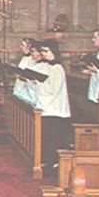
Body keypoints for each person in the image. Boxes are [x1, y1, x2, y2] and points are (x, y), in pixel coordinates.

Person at [34, 39, 71, 177]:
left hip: (55, 108)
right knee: (46, 136)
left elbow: (54, 90)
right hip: (45, 107)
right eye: (42, 51)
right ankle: (46, 160)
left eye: (46, 51)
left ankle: (54, 162)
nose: (43, 54)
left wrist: (38, 83)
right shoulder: (45, 66)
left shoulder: (57, 68)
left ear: (53, 51)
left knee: (53, 137)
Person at [12, 37, 38, 104]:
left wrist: (21, 76)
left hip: (28, 91)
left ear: (29, 47)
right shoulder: (24, 58)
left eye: (23, 45)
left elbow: (31, 76)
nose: (21, 47)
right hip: (20, 87)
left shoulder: (32, 59)